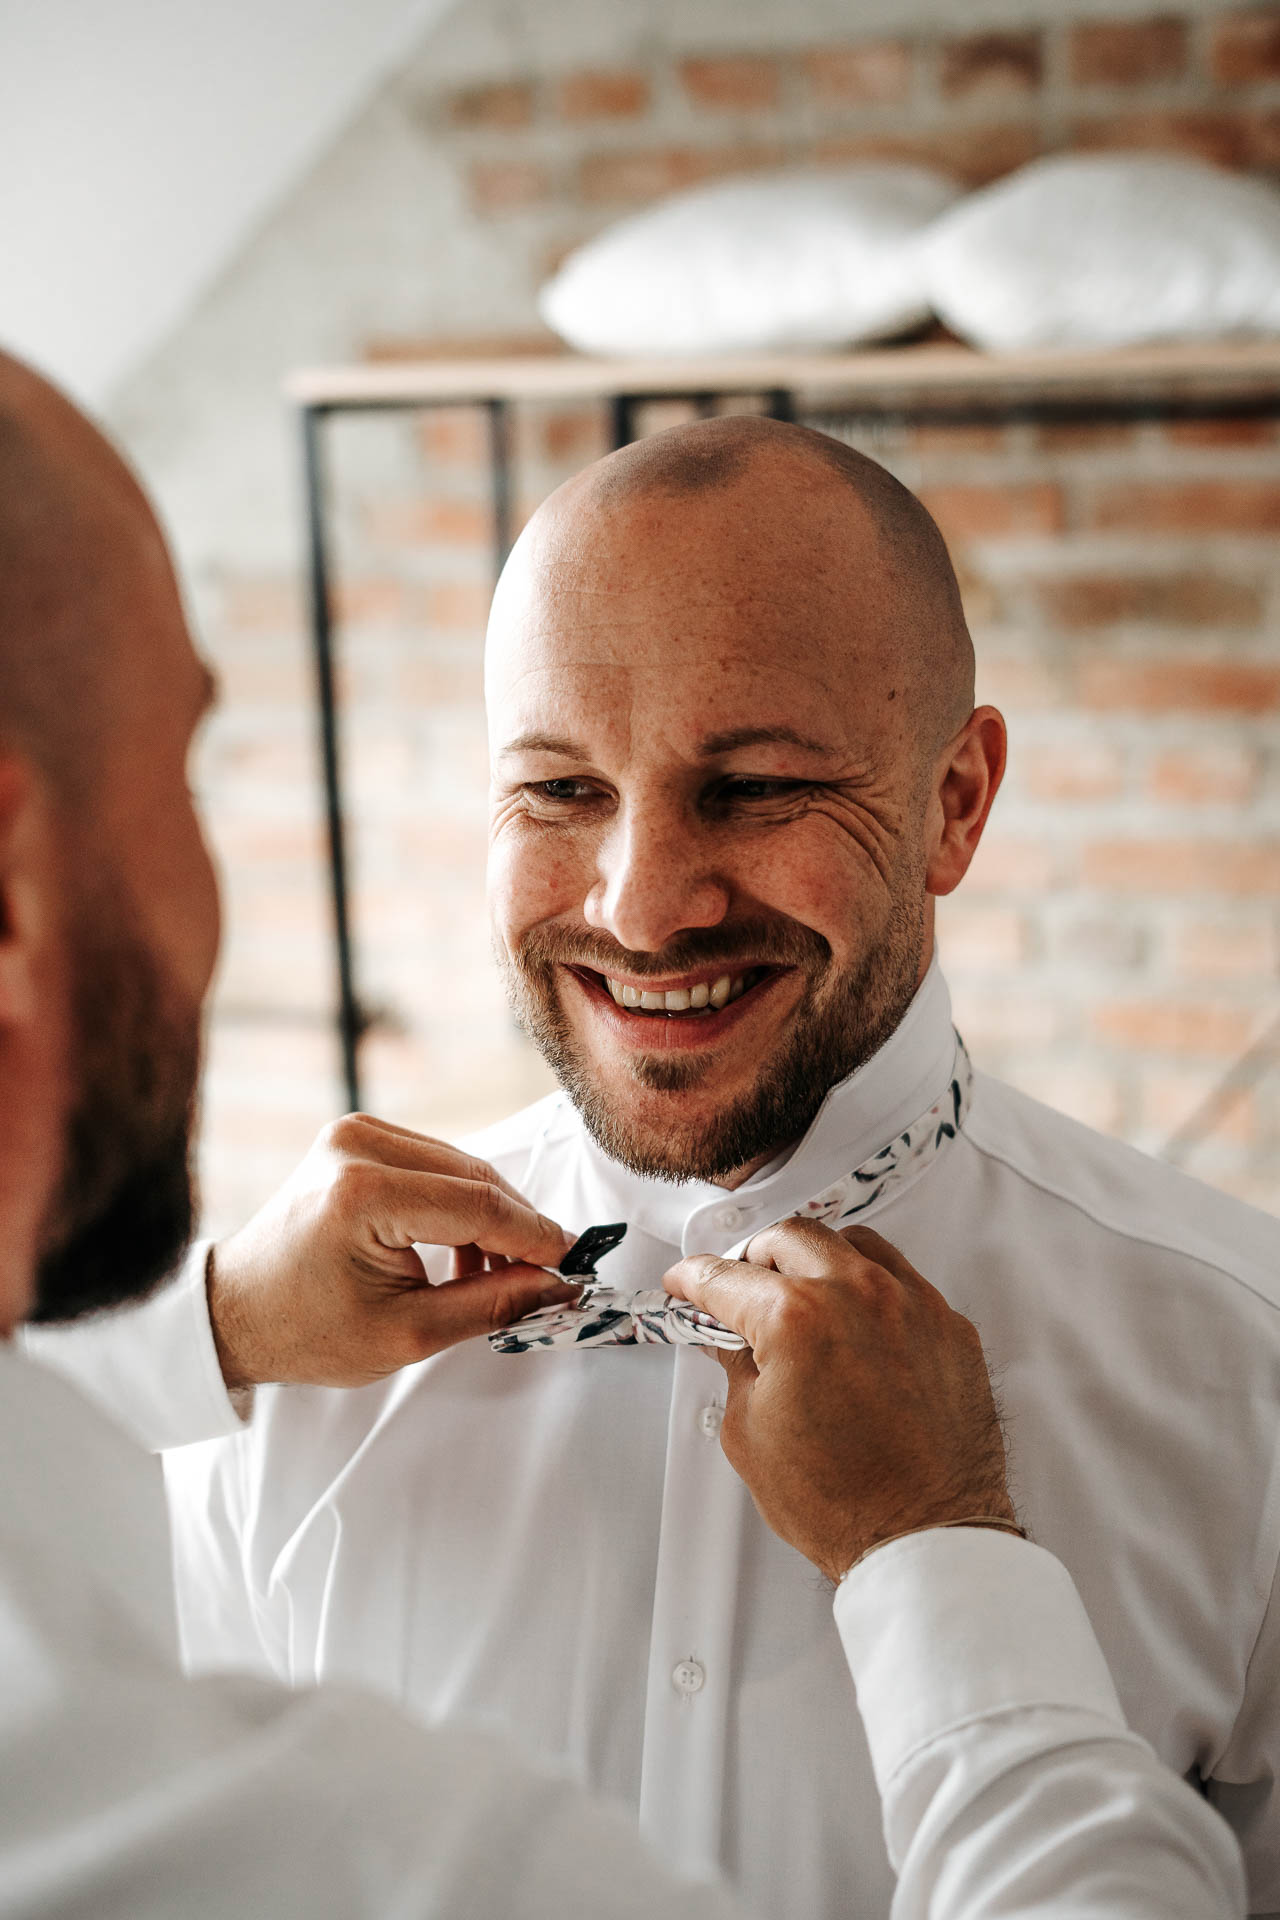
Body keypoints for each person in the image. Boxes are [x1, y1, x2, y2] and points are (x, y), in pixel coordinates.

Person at [25, 402, 1271, 1913]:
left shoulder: (1246, 1374)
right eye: (560, 790)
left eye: (753, 789)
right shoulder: (259, 1393)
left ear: (956, 802)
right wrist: (207, 1337)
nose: (641, 906)